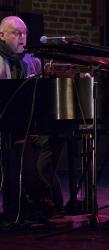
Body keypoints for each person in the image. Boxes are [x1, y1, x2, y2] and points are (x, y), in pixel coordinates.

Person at [0, 16, 64, 220]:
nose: (22, 38)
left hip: (29, 126)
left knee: (51, 140)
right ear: (1, 35)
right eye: (16, 33)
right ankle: (25, 202)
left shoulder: (32, 62)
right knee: (19, 150)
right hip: (6, 128)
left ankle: (45, 199)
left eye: (25, 33)